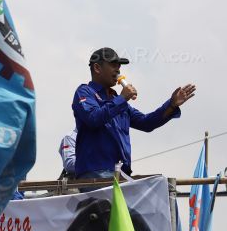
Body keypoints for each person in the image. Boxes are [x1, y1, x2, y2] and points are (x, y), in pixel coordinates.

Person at [72, 47, 196, 181]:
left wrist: (171, 105)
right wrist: (122, 98)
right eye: (113, 65)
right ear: (97, 68)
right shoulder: (85, 92)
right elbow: (93, 118)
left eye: (119, 66)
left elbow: (146, 123)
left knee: (161, 185)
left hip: (120, 175)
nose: (118, 70)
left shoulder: (116, 100)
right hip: (96, 173)